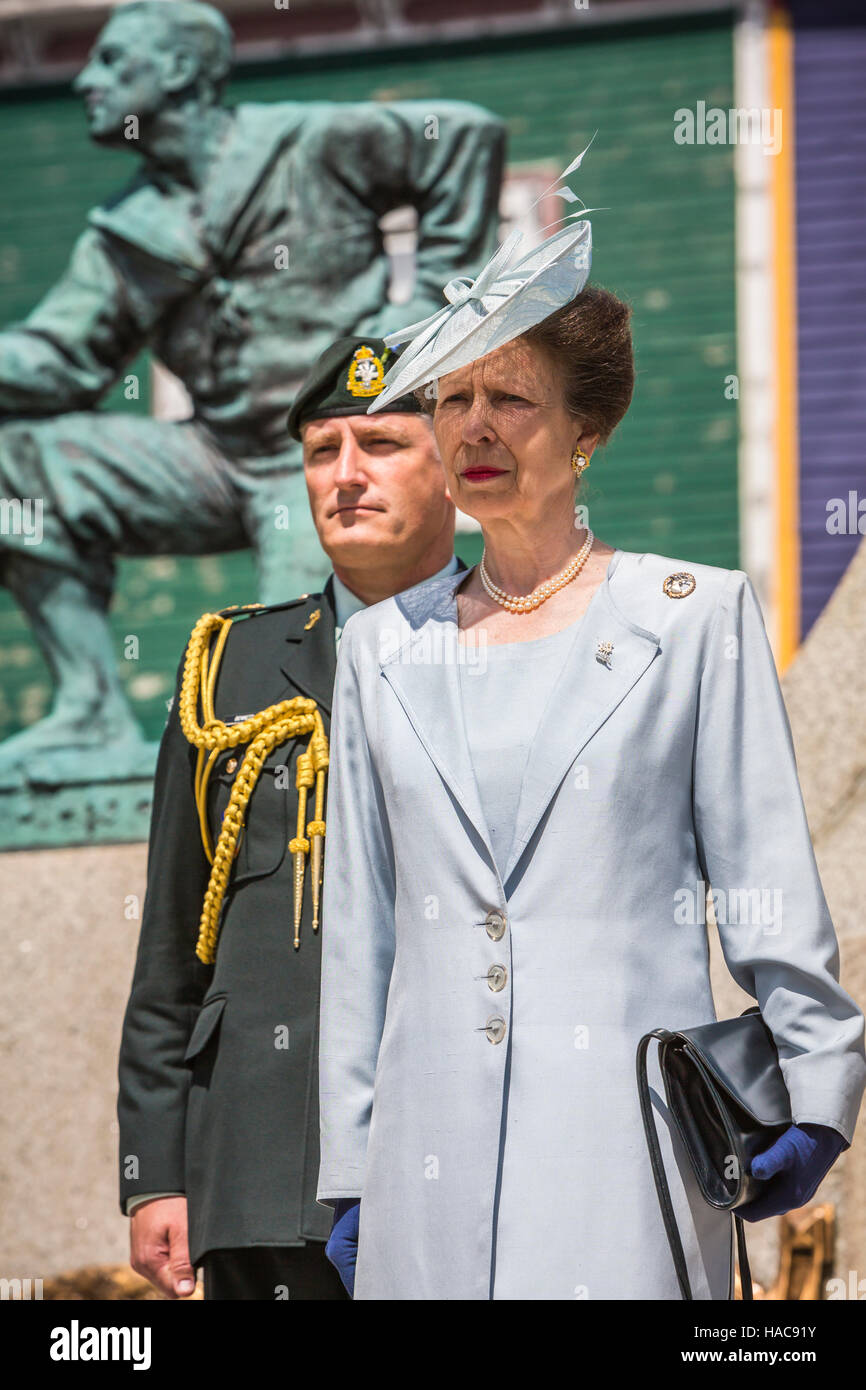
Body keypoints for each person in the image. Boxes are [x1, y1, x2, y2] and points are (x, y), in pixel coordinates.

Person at [315, 157, 866, 1299]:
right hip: (428, 1166)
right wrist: (354, 1163)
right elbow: (363, 930)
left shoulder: (692, 617)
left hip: (626, 1147)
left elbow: (765, 882)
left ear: (586, 430)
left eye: (508, 398)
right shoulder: (378, 648)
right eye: (450, 398)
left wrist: (815, 1093)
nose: (472, 425)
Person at [0, 0, 504, 783]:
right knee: (14, 462)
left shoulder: (303, 142)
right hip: (215, 459)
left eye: (109, 62)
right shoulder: (124, 228)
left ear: (176, 70)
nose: (85, 82)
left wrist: (422, 307)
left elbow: (466, 137)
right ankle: (90, 711)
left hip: (325, 456)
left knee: (297, 703)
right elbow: (63, 360)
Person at [117, 335, 466, 1300]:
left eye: (382, 445)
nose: (346, 476)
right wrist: (158, 1172)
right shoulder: (228, 669)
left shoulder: (515, 646)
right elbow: (170, 952)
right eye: (323, 451)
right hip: (259, 1165)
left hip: (467, 1158)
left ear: (454, 472)